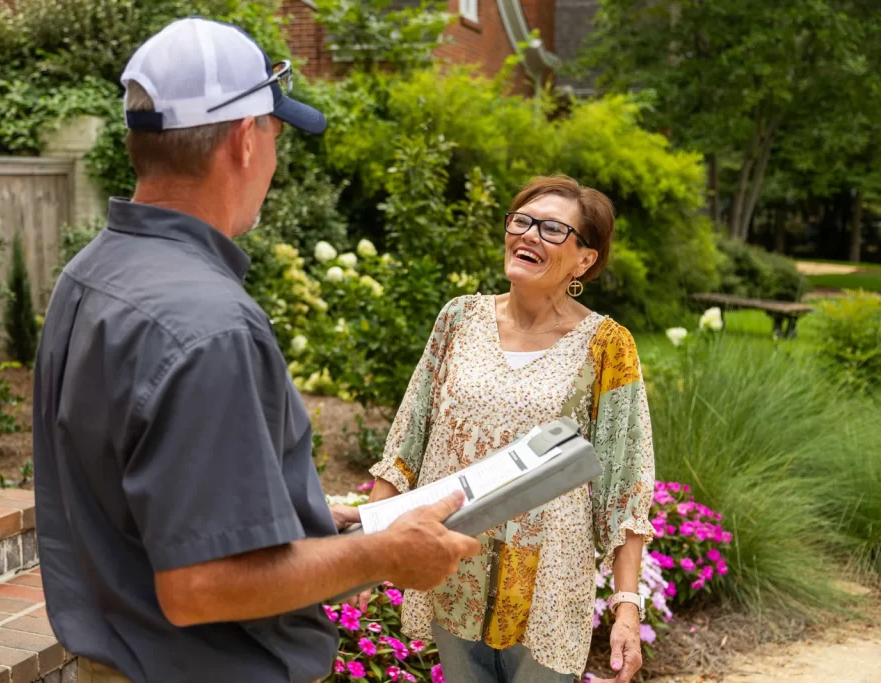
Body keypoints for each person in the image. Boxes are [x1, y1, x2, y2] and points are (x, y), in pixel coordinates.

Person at [32, 17, 479, 683]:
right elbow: (201, 586)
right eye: (276, 135)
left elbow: (138, 493)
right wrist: (384, 554)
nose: (274, 158)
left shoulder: (89, 275)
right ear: (245, 140)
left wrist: (298, 510)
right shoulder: (210, 325)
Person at [364, 175, 656, 683]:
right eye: (521, 220)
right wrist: (364, 551)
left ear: (585, 259)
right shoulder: (458, 319)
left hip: (547, 579)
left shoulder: (606, 346)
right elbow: (406, 440)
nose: (527, 235)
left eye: (550, 229)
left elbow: (625, 483)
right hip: (453, 564)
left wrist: (626, 604)